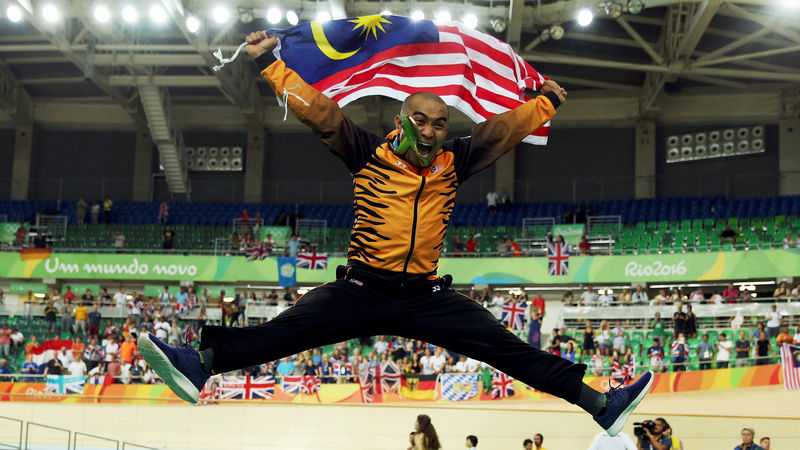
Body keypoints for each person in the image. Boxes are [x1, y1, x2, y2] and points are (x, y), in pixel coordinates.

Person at [137, 30, 653, 437]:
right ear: (402, 121)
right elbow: (320, 113)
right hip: (361, 289)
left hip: (426, 296)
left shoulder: (455, 160)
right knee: (286, 330)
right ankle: (199, 365)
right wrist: (269, 65)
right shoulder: (366, 151)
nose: (430, 132)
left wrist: (544, 104)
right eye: (422, 121)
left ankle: (601, 405)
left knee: (508, 348)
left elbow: (498, 134)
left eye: (439, 124)